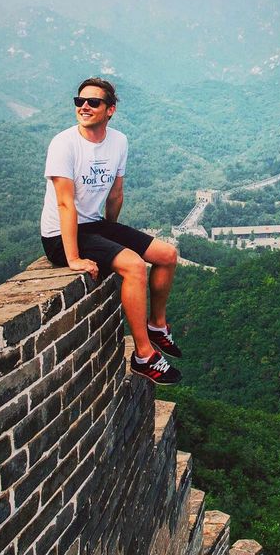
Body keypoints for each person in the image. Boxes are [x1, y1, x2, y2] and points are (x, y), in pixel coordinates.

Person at [40, 77, 183, 385]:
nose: (85, 107)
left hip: (94, 224)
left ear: (110, 110)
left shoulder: (118, 141)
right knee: (133, 266)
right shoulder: (63, 144)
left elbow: (116, 192)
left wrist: (112, 232)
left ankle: (157, 325)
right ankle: (144, 355)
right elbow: (65, 204)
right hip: (60, 235)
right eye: (80, 102)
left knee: (167, 255)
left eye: (93, 102)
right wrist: (74, 258)